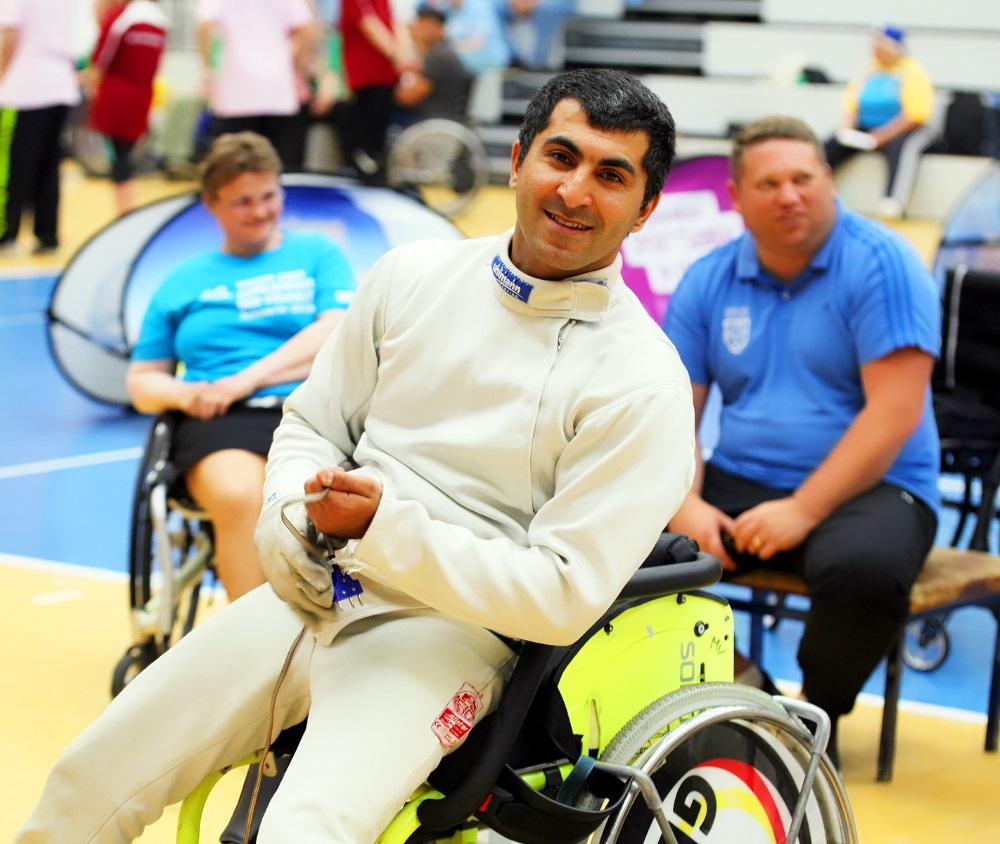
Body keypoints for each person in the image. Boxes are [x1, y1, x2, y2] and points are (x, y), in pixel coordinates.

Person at [15, 67, 696, 843]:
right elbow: (310, 423)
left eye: (611, 176)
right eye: (560, 157)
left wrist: (384, 529)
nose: (575, 192)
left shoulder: (642, 383)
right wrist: (282, 526)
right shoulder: (411, 276)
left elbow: (564, 595)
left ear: (644, 209)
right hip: (309, 589)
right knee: (87, 779)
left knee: (304, 833)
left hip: (449, 632)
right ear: (516, 160)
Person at [663, 115, 941, 767]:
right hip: (742, 475)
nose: (790, 195)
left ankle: (811, 727)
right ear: (737, 197)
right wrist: (687, 503)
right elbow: (672, 410)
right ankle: (753, 693)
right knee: (617, 534)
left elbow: (894, 415)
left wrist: (804, 509)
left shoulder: (884, 263)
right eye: (770, 183)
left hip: (880, 486)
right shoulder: (708, 279)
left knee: (864, 572)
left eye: (804, 178)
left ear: (828, 182)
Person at [125, 131, 355, 601]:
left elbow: (335, 329)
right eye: (242, 202)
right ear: (211, 205)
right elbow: (142, 382)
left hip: (313, 408)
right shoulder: (183, 280)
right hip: (222, 421)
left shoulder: (318, 253)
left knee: (334, 497)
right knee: (240, 497)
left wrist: (243, 380)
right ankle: (258, 649)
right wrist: (188, 394)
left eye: (268, 196)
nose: (259, 211)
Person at [823, 25, 936, 219]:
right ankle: (818, 188)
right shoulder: (869, 71)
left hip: (900, 129)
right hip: (867, 128)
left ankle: (893, 201)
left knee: (900, 148)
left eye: (878, 45)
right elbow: (852, 105)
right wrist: (848, 128)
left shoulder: (911, 72)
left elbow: (915, 115)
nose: (874, 49)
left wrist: (882, 136)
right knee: (830, 145)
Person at [195, 0, 319, 172]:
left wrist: (208, 67)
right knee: (281, 170)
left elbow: (203, 26)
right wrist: (296, 67)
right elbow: (308, 30)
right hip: (278, 91)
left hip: (236, 92)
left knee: (235, 171)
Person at [0, 0, 80, 256]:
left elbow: (9, 36)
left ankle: (5, 234)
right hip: (61, 85)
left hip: (24, 88)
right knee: (49, 166)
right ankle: (47, 235)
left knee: (11, 165)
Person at [81, 0, 169, 216]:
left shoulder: (121, 18)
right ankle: (127, 207)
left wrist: (90, 85)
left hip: (116, 98)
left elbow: (101, 60)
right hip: (142, 97)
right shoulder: (161, 21)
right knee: (125, 155)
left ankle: (126, 210)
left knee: (118, 158)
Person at [336, 0, 417, 182]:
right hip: (366, 76)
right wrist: (399, 57)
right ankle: (366, 177)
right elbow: (370, 25)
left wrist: (406, 57)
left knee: (379, 137)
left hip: (387, 76)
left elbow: (397, 25)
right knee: (365, 139)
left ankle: (378, 176)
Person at [393, 3, 472, 127]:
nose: (416, 28)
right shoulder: (439, 53)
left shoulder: (438, 56)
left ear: (436, 27)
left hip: (433, 123)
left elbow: (406, 98)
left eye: (422, 24)